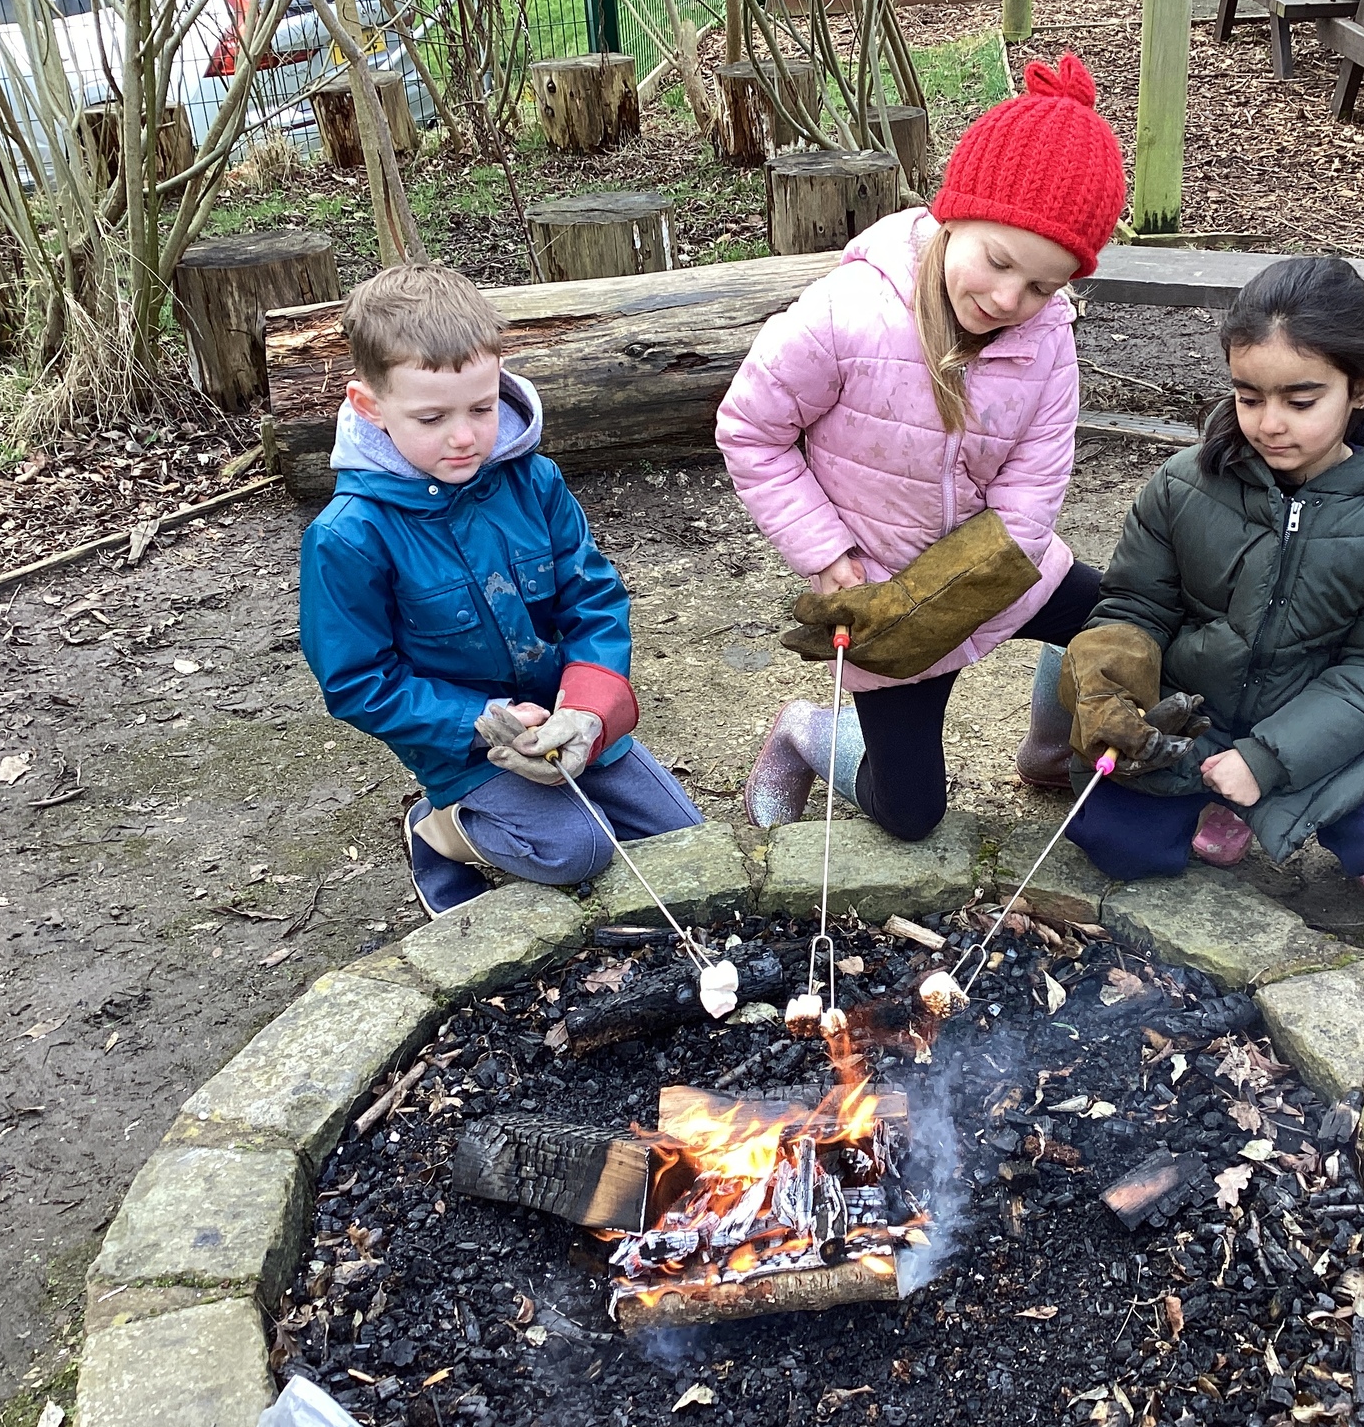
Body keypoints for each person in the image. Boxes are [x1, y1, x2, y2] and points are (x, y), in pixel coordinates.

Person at [718, 52, 1127, 842]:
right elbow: (750, 430)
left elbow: (1035, 485)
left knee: (1121, 626)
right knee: (910, 815)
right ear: (953, 215)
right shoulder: (847, 313)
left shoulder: (1047, 338)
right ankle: (808, 732)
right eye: (999, 262)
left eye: (1042, 286)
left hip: (1001, 574)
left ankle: (1051, 753)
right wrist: (825, 549)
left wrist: (968, 582)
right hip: (886, 601)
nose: (1008, 298)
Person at [1054, 256, 1364, 909]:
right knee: (1113, 840)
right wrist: (1109, 678)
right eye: (1248, 398)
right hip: (1196, 723)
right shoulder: (1183, 485)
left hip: (1322, 731)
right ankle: (1222, 804)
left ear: (1360, 387)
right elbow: (1134, 604)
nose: (1269, 423)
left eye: (1300, 402)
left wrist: (1266, 759)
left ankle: (1286, 806)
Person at [299, 262, 703, 917]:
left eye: (482, 409)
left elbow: (593, 597)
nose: (464, 437)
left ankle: (560, 785)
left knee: (685, 839)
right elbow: (357, 682)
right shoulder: (347, 537)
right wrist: (479, 722)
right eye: (432, 417)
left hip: (566, 718)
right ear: (369, 406)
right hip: (464, 748)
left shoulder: (534, 481)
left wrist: (589, 711)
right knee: (578, 849)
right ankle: (437, 832)